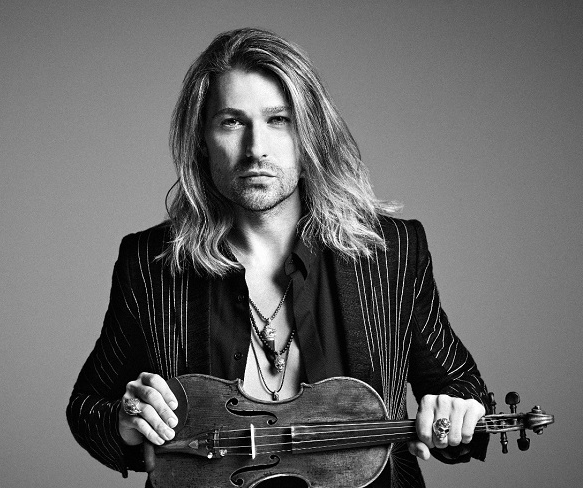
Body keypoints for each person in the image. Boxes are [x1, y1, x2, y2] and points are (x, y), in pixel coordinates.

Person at [67, 27, 490, 487]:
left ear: (310, 134)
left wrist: (457, 413)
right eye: (232, 122)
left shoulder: (391, 251)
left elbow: (462, 387)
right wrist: (127, 420)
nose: (256, 149)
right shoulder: (150, 262)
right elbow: (89, 408)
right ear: (201, 139)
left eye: (278, 120)